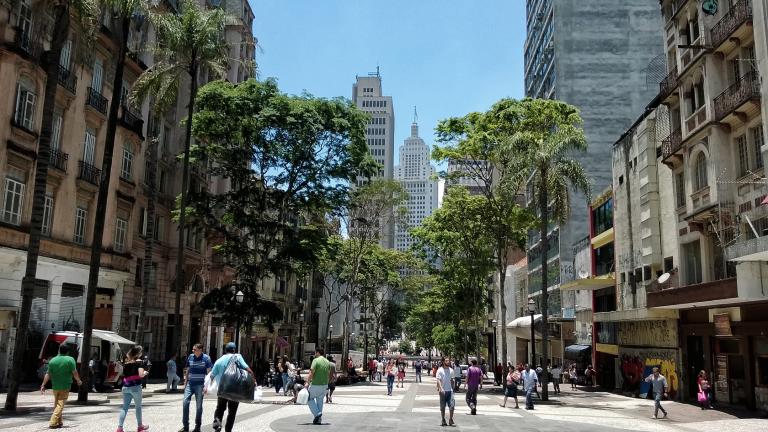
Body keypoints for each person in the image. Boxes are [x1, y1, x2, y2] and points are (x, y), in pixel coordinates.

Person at [209, 342, 254, 432]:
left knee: (220, 408)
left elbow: (212, 375)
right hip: (235, 390)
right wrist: (253, 379)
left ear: (225, 350)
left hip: (222, 390)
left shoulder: (219, 360)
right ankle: (228, 430)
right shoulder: (237, 357)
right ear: (234, 350)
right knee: (232, 412)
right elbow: (248, 369)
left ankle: (217, 425)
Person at [41, 344, 82, 429]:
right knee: (60, 404)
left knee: (57, 404)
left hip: (55, 386)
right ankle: (53, 421)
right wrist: (78, 380)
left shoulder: (53, 360)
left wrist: (43, 384)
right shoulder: (70, 359)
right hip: (65, 385)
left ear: (59, 350)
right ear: (67, 352)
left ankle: (59, 422)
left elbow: (48, 374)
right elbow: (74, 372)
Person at [116, 345, 150, 432]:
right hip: (135, 387)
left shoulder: (126, 363)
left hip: (125, 386)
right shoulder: (140, 362)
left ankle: (119, 428)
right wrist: (145, 372)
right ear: (138, 353)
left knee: (124, 408)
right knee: (138, 407)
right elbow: (140, 374)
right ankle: (140, 426)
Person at [180, 343, 213, 432]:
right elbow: (187, 370)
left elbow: (209, 373)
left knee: (199, 406)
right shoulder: (190, 357)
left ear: (200, 350)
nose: (192, 351)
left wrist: (207, 386)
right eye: (193, 349)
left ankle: (197, 426)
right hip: (190, 384)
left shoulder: (206, 358)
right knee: (185, 403)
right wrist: (185, 382)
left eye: (194, 349)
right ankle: (185, 426)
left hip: (200, 385)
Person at [306, 348, 332, 425]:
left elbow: (311, 372)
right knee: (320, 401)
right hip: (325, 385)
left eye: (315, 353)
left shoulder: (315, 360)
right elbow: (328, 374)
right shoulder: (327, 362)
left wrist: (307, 382)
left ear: (317, 353)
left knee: (309, 398)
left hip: (316, 384)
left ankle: (317, 413)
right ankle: (318, 420)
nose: (314, 354)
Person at [436, 357, 456, 427]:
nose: (448, 362)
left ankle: (450, 419)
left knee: (452, 406)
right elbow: (438, 380)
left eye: (449, 361)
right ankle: (443, 419)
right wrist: (441, 388)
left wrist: (453, 388)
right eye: (447, 361)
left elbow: (453, 379)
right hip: (443, 391)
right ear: (443, 361)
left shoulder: (451, 370)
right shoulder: (440, 370)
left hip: (450, 391)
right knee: (443, 407)